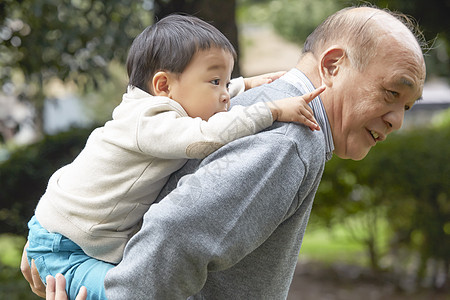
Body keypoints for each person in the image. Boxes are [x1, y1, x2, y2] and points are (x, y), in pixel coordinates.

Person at [22, 4, 426, 300]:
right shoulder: (290, 138)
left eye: (406, 106)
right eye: (392, 92)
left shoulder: (251, 106)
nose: (397, 120)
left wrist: (55, 232)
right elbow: (177, 231)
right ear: (334, 65)